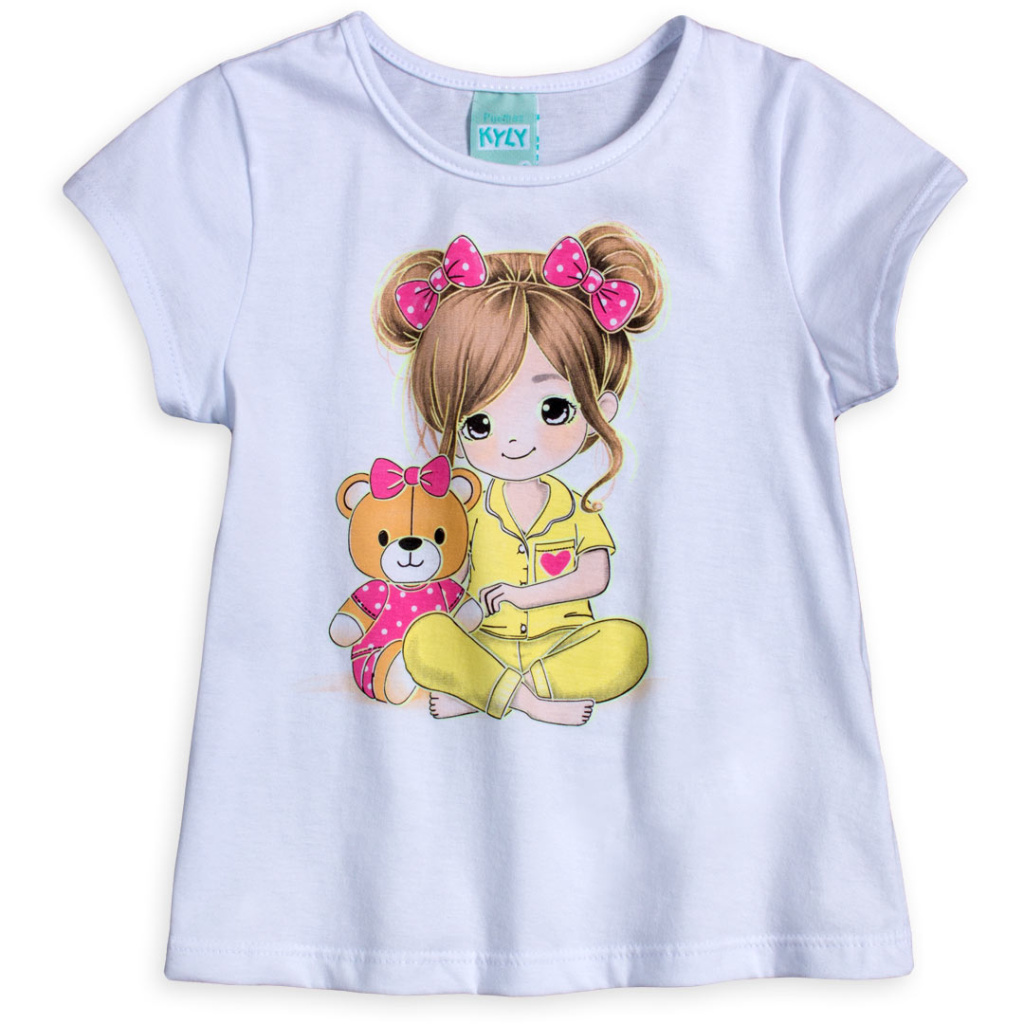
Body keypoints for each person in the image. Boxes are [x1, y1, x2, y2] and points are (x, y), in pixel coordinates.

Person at [373, 225, 666, 724]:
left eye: (553, 410)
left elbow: (594, 578)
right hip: (487, 645)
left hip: (566, 645)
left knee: (629, 645)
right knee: (424, 636)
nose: (513, 443)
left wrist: (524, 596)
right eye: (478, 423)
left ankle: (492, 693)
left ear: (601, 410)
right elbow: (456, 578)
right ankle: (528, 700)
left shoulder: (577, 510)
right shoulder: (468, 509)